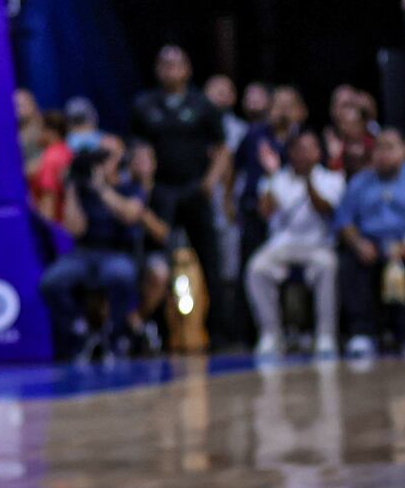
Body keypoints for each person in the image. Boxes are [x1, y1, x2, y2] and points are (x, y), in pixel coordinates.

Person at [128, 45, 231, 336]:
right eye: (164, 64)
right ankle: (160, 331)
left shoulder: (202, 104)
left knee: (209, 259)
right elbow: (138, 147)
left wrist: (211, 182)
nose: (170, 69)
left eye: (177, 63)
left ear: (188, 69)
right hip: (162, 193)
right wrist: (144, 182)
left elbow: (222, 148)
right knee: (158, 260)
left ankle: (219, 331)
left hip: (195, 190)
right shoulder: (145, 105)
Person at [334, 128, 405, 357]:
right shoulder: (360, 181)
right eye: (378, 148)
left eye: (390, 147)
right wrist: (358, 243)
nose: (383, 154)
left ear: (404, 151)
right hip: (370, 243)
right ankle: (362, 332)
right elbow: (344, 221)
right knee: (350, 262)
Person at [41, 136, 153, 362]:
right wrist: (72, 188)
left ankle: (116, 333)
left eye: (108, 157)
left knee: (120, 275)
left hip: (117, 251)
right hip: (83, 252)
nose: (102, 162)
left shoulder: (129, 186)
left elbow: (131, 215)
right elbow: (75, 230)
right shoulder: (83, 189)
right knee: (51, 281)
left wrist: (102, 188)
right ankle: (79, 330)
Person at [246, 130, 343, 358]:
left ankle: (325, 334)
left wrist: (308, 179)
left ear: (319, 152)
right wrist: (270, 176)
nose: (305, 153)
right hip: (282, 246)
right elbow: (266, 212)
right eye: (300, 148)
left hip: (317, 245)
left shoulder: (332, 178)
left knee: (328, 266)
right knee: (256, 268)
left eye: (310, 148)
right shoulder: (276, 178)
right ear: (290, 152)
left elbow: (325, 208)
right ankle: (271, 334)